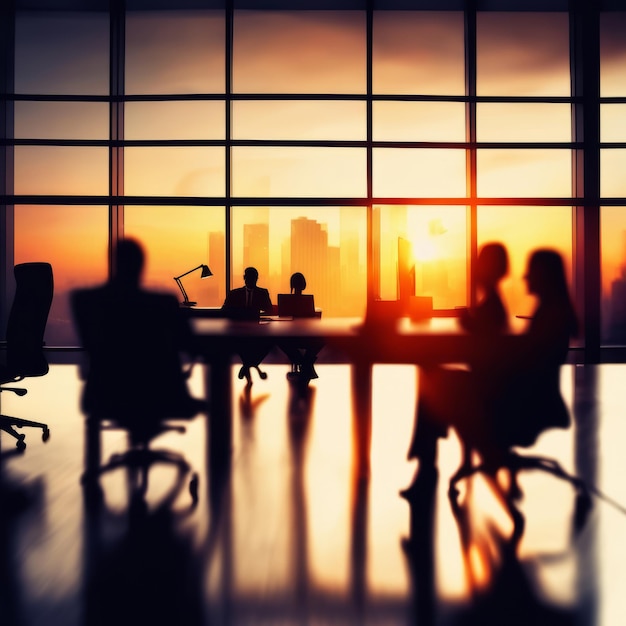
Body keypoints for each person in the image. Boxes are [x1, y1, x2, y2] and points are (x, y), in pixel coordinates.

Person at [402, 242, 512, 495]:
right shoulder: (493, 304)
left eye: (481, 264)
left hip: (486, 390)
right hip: (490, 384)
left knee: (430, 380)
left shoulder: (492, 307)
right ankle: (426, 456)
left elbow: (483, 345)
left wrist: (469, 324)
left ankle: (426, 461)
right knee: (430, 376)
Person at [71, 238, 203, 432]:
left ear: (112, 263)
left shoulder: (86, 301)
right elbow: (190, 346)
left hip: (104, 393)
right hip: (160, 394)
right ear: (142, 265)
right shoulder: (163, 303)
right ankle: (219, 460)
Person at [222, 266, 273, 384]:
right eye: (249, 277)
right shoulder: (234, 294)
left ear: (257, 279)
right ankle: (251, 365)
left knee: (269, 341)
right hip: (238, 328)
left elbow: (270, 310)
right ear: (245, 278)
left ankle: (246, 366)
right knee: (240, 342)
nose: (251, 280)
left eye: (254, 278)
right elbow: (224, 310)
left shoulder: (262, 293)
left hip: (257, 328)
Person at [279, 272, 324, 383]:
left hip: (291, 336)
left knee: (280, 340)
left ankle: (302, 362)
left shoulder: (286, 301)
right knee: (320, 340)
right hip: (304, 336)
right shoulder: (306, 301)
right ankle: (306, 363)